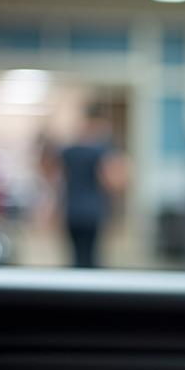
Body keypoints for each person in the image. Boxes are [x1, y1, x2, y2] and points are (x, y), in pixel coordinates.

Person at [57, 103, 126, 267]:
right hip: (93, 212)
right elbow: (110, 181)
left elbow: (59, 179)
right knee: (92, 257)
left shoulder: (69, 150)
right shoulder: (102, 151)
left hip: (72, 211)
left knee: (76, 256)